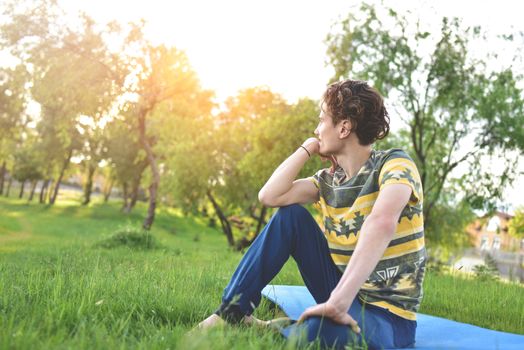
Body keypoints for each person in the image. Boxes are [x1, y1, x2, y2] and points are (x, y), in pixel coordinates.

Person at [197, 79, 426, 349]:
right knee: (290, 217)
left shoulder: (395, 163)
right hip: (338, 291)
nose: (317, 130)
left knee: (320, 333)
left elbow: (381, 222)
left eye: (321, 121)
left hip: (387, 317)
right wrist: (306, 148)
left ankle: (278, 329)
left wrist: (339, 302)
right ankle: (230, 313)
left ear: (343, 127)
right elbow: (270, 196)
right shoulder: (327, 182)